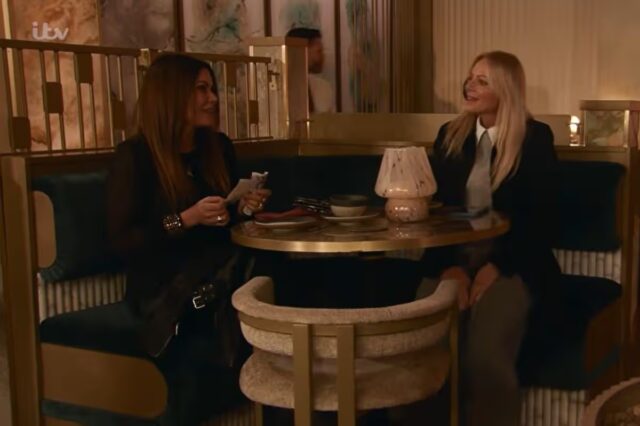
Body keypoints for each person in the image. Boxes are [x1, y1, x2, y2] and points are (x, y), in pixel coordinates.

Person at [106, 53, 271, 425]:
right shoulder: (136, 156)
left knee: (275, 277)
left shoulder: (218, 148)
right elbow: (122, 241)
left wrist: (243, 208)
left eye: (212, 89)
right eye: (201, 89)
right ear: (171, 94)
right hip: (165, 285)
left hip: (220, 272)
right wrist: (185, 219)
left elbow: (226, 224)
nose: (212, 98)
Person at [418, 51, 561, 426]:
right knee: (423, 343)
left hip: (516, 262)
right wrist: (450, 268)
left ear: (506, 90)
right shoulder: (449, 136)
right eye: (470, 78)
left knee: (484, 355)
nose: (470, 85)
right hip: (451, 258)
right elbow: (438, 211)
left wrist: (496, 267)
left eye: (483, 80)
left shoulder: (534, 139)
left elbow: (540, 220)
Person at [286, 27, 335, 113]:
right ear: (302, 52)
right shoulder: (277, 90)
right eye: (319, 51)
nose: (323, 56)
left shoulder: (324, 88)